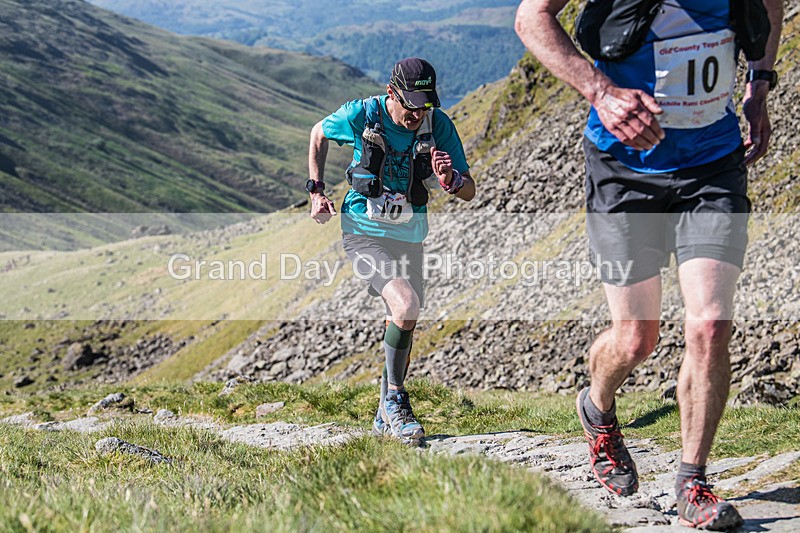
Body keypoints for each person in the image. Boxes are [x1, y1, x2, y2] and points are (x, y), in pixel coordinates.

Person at [515, 0, 782, 529]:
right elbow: (531, 18)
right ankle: (597, 408)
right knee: (636, 338)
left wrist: (759, 82)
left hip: (712, 163)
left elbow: (770, 5)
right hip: (624, 167)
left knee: (709, 324)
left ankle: (693, 481)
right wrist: (601, 92)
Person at [307, 57, 476, 444]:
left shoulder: (439, 125)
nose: (418, 113)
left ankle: (384, 417)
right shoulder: (362, 114)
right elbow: (318, 133)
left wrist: (450, 180)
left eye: (425, 104)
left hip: (410, 235)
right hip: (362, 231)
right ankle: (398, 402)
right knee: (405, 305)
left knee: (402, 318)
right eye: (411, 104)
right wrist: (316, 192)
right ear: (391, 93)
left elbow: (470, 190)